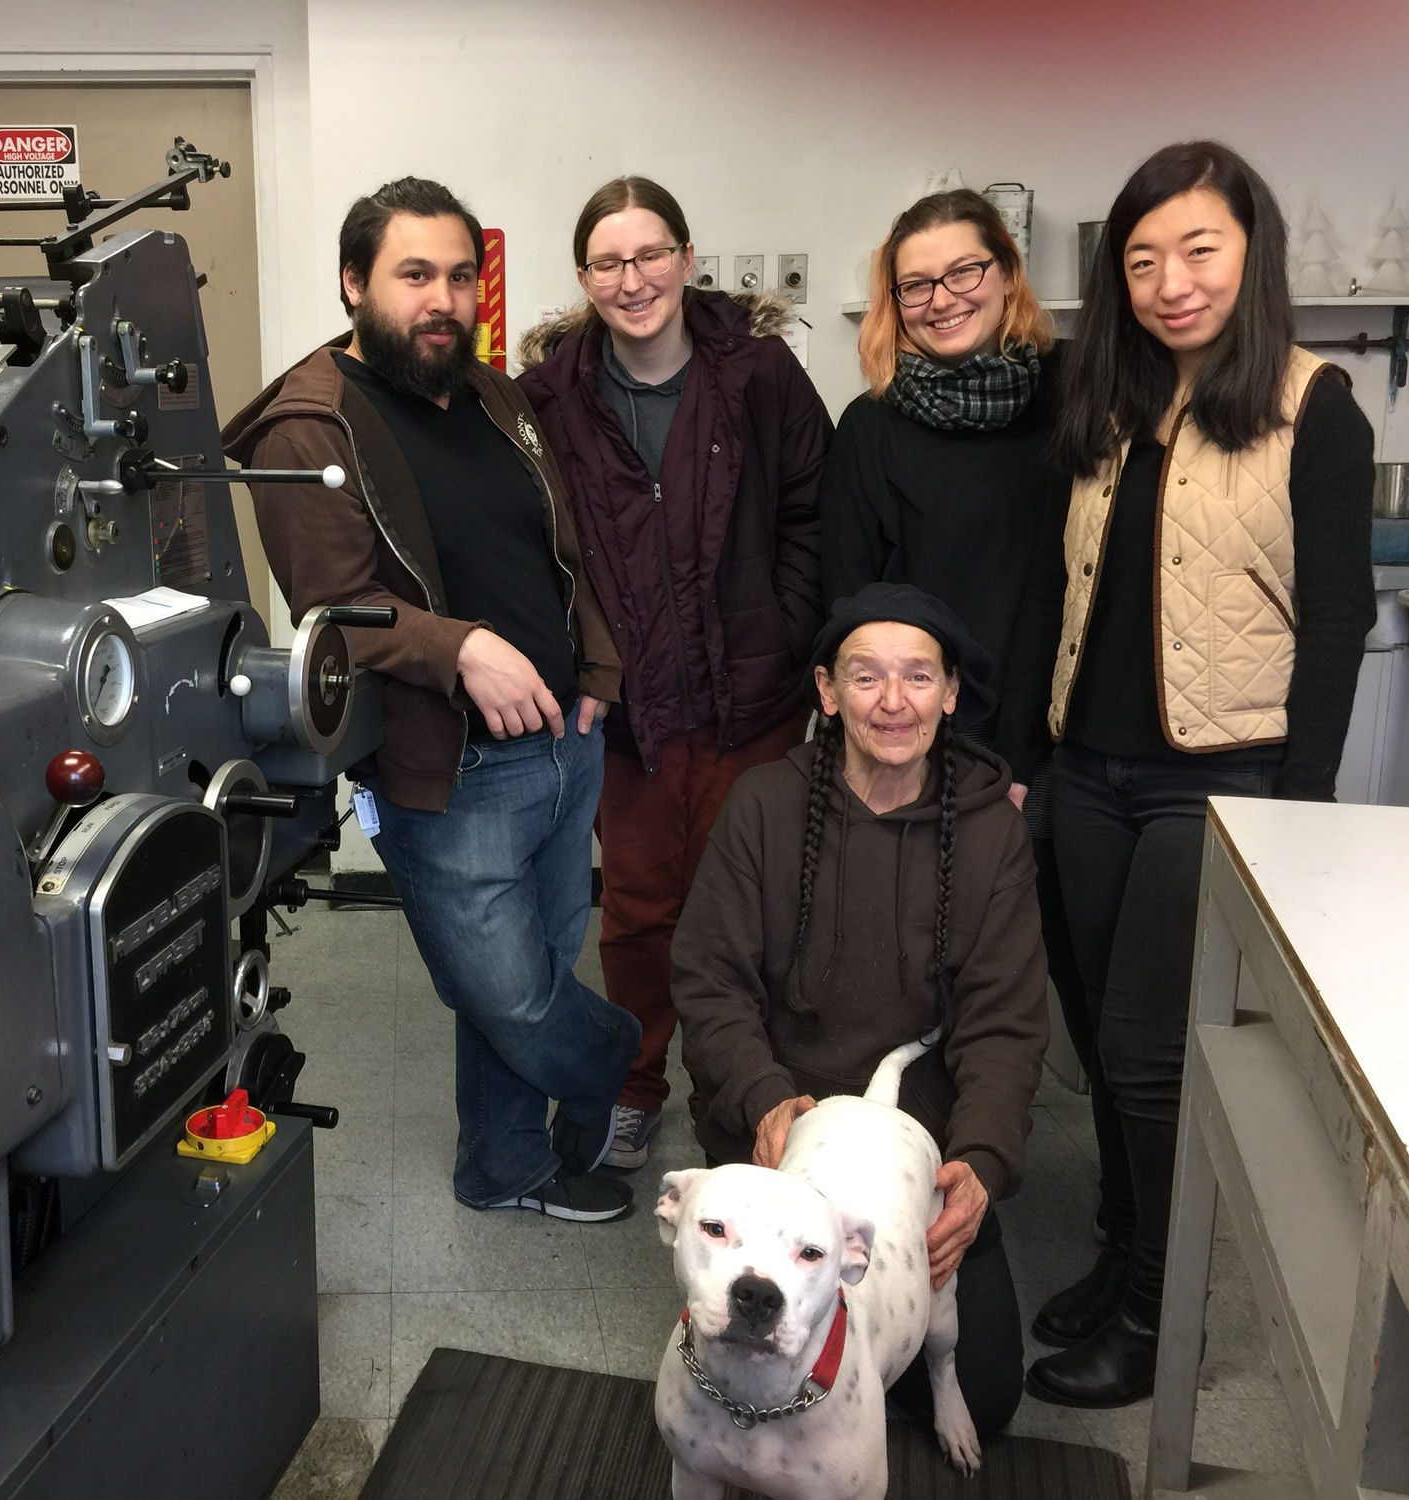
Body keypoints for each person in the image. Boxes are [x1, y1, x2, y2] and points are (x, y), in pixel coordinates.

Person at [1023, 141, 1374, 1407]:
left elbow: (1336, 617)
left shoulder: (1311, 402)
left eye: (1198, 250)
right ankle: (1122, 1257)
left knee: (1141, 1052)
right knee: (1096, 1039)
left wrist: (1299, 811)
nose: (1170, 281)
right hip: (1086, 771)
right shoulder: (1105, 401)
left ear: (1249, 253)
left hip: (1216, 779)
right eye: (1140, 258)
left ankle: (1157, 1321)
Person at [221, 177, 641, 1223]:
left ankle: (502, 1167)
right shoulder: (309, 425)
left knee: (535, 969)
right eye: (414, 275)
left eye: (459, 274)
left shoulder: (494, 396)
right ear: (354, 284)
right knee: (505, 993)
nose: (441, 298)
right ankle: (617, 1066)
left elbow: (561, 552)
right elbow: (335, 602)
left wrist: (594, 668)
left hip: (562, 742)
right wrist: (461, 651)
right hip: (447, 769)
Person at [672, 583, 1049, 1438]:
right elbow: (709, 978)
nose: (892, 701)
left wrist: (981, 1163)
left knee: (984, 1396)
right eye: (866, 676)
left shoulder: (992, 836)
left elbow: (1007, 1021)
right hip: (780, 1139)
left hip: (911, 1159)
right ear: (826, 691)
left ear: (951, 694)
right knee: (749, 1355)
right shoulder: (763, 805)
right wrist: (760, 1095)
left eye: (918, 677)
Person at [818, 192, 1108, 1301]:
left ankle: (1040, 1192)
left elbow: (1076, 585)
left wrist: (1027, 758)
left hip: (1057, 745)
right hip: (920, 747)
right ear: (892, 299)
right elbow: (854, 603)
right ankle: (894, 1181)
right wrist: (903, 744)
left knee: (1040, 979)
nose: (941, 301)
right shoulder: (873, 427)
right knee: (908, 965)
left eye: (963, 273)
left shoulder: (1075, 405)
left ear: (1006, 273)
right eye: (915, 283)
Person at [515, 176, 829, 1171]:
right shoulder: (551, 398)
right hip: (629, 715)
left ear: (686, 261)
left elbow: (809, 519)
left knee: (753, 917)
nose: (631, 277)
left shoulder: (759, 377)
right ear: (583, 278)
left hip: (753, 703)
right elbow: (535, 542)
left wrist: (782, 637)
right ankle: (635, 1086)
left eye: (649, 254)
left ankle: (742, 1104)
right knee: (641, 916)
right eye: (608, 262)